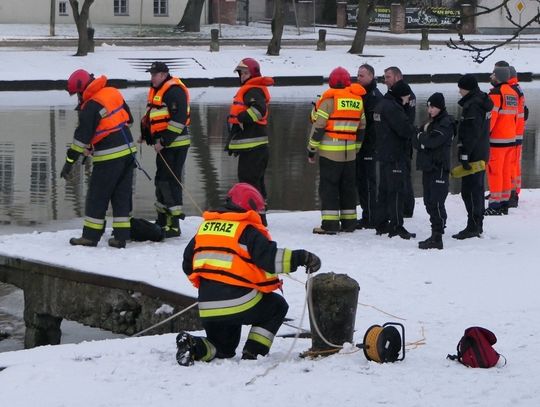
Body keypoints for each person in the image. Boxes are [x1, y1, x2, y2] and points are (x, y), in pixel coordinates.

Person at [176, 183, 321, 366]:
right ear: (250, 208)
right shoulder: (247, 231)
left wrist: (211, 284)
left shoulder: (204, 229)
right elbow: (271, 259)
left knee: (222, 349)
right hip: (239, 301)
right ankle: (253, 352)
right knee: (277, 306)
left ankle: (192, 346)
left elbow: (187, 264)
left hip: (208, 305)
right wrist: (303, 257)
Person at [61, 69, 136, 249]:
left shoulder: (90, 106)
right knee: (122, 195)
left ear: (81, 90)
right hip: (128, 150)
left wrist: (69, 163)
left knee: (97, 195)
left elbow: (80, 140)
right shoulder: (112, 92)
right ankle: (120, 237)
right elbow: (128, 119)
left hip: (109, 156)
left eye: (77, 94)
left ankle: (90, 237)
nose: (78, 98)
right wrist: (97, 141)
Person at [307, 66, 366, 234]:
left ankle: (330, 225)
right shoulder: (357, 100)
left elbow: (318, 127)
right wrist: (357, 148)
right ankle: (349, 223)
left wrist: (311, 149)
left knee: (329, 187)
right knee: (348, 187)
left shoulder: (328, 101)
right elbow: (362, 127)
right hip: (350, 155)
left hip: (330, 153)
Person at [140, 61, 191, 238]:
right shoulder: (157, 91)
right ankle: (162, 220)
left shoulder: (173, 91)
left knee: (170, 182)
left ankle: (173, 225)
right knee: (161, 181)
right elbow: (153, 116)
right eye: (151, 74)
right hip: (163, 145)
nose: (152, 77)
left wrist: (164, 140)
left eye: (154, 74)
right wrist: (146, 135)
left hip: (175, 144)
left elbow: (179, 119)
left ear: (163, 75)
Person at [226, 58, 274, 222]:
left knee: (249, 182)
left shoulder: (253, 90)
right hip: (254, 147)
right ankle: (259, 217)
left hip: (254, 147)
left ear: (253, 73)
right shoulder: (252, 88)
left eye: (245, 73)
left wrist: (241, 117)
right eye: (241, 73)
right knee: (255, 182)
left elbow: (259, 111)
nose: (242, 76)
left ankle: (255, 218)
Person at [373, 80, 416, 239]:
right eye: (406, 97)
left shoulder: (381, 105)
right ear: (401, 96)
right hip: (396, 155)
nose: (407, 100)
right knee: (396, 191)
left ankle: (381, 223)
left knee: (383, 190)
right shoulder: (393, 108)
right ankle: (397, 225)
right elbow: (405, 130)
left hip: (383, 154)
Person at [452, 74, 493, 240]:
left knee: (470, 191)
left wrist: (464, 154)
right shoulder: (481, 101)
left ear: (466, 88)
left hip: (474, 154)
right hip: (482, 151)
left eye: (460, 88)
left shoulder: (473, 106)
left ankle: (473, 226)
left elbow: (471, 133)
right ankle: (476, 224)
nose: (459, 92)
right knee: (475, 190)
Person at [413, 93, 454, 249]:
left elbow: (433, 142)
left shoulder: (445, 123)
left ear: (440, 107)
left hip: (439, 168)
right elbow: (416, 141)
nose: (430, 110)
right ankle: (436, 233)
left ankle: (437, 237)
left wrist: (422, 139)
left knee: (436, 202)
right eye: (428, 107)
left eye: (433, 107)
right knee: (428, 201)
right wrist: (422, 140)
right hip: (428, 167)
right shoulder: (430, 123)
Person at [485, 66, 518, 215]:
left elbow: (492, 118)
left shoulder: (496, 93)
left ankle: (494, 205)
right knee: (505, 172)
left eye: (493, 74)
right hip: (510, 139)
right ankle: (504, 202)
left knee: (495, 172)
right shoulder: (512, 93)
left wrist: (484, 134)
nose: (491, 76)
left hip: (497, 140)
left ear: (497, 77)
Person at [384, 66, 416, 218]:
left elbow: (405, 122)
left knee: (403, 177)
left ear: (397, 77)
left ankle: (406, 209)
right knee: (402, 176)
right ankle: (404, 208)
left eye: (388, 77)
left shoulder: (405, 95)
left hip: (402, 143)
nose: (385, 81)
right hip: (399, 142)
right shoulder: (396, 94)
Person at [355, 63, 383, 229]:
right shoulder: (361, 94)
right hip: (361, 145)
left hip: (369, 146)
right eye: (357, 75)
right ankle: (367, 214)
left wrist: (369, 144)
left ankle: (371, 216)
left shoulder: (374, 96)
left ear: (371, 77)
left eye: (362, 76)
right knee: (361, 181)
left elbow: (373, 125)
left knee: (368, 181)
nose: (358, 78)